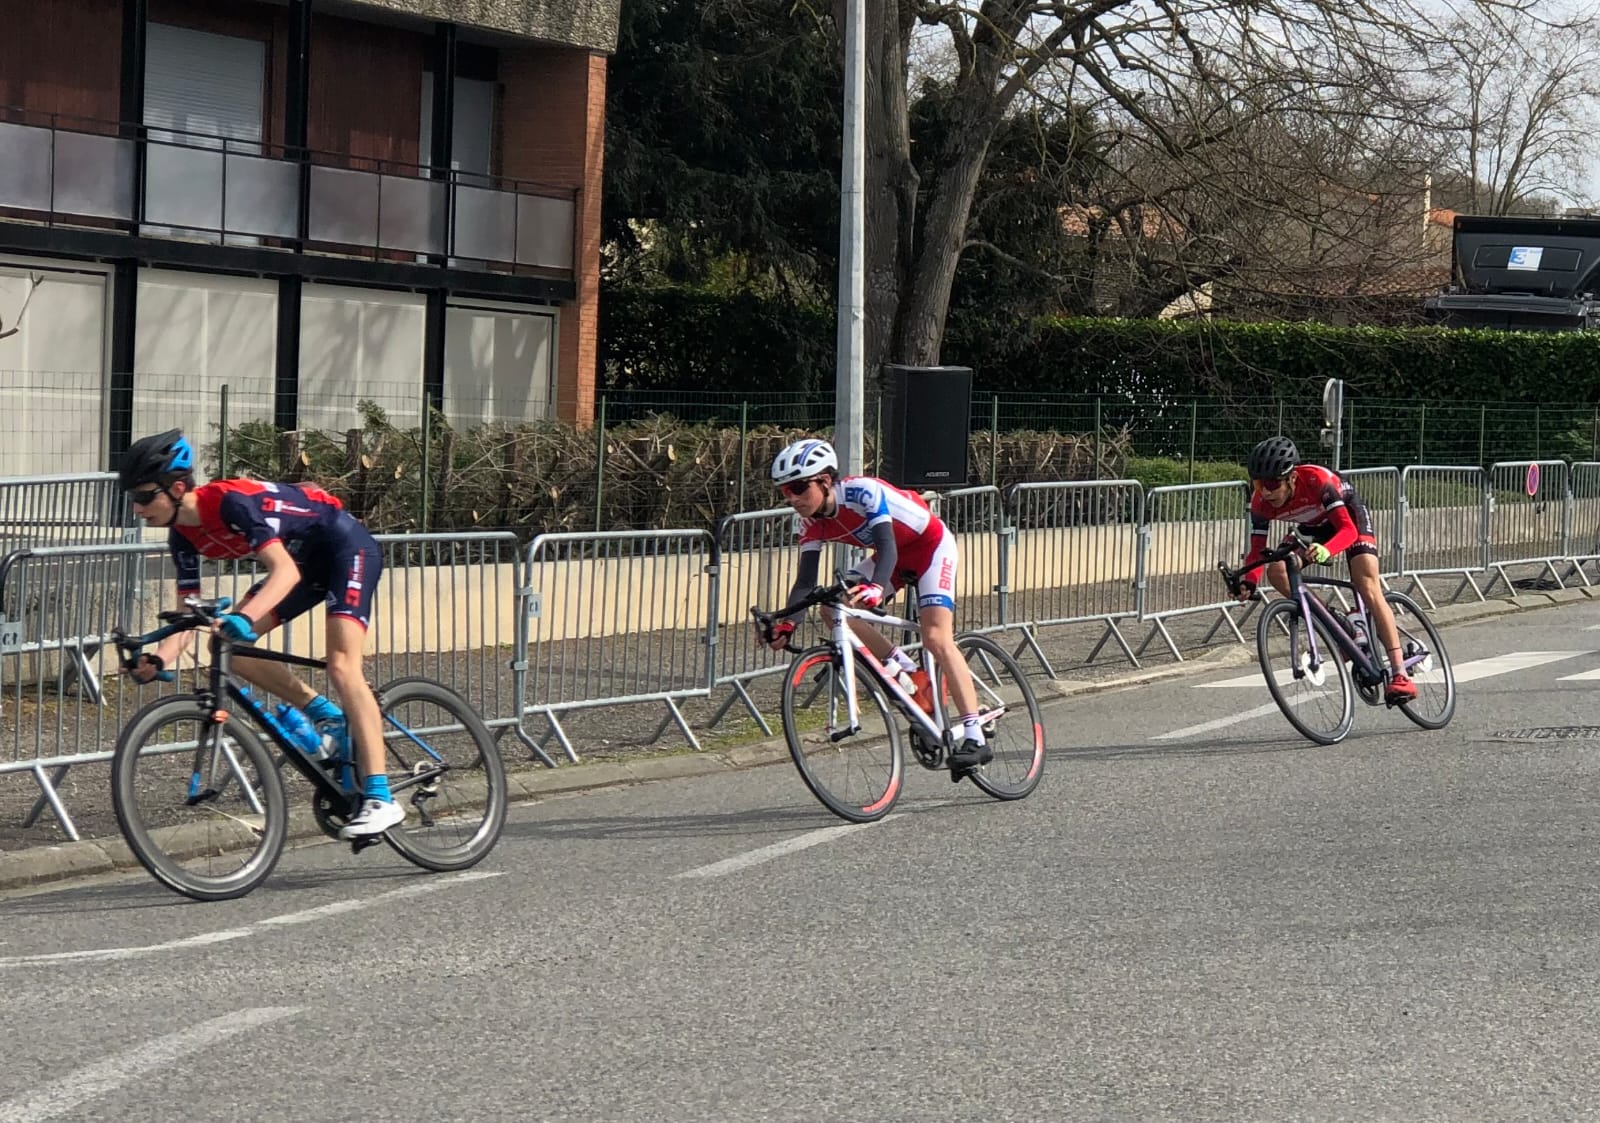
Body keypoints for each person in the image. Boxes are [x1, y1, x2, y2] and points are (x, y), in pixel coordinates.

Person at [118, 429, 404, 838]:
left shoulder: (229, 502)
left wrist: (245, 618)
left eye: (145, 496)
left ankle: (381, 797)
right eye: (133, 498)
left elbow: (283, 571)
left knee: (342, 665)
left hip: (345, 547)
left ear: (177, 487)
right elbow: (189, 610)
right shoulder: (181, 535)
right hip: (304, 559)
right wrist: (160, 657)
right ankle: (326, 714)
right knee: (226, 644)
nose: (138, 508)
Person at [763, 437, 993, 772]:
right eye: (786, 491)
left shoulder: (862, 492)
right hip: (892, 560)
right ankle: (907, 670)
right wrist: (787, 622)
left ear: (825, 481)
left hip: (930, 548)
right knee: (833, 608)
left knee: (936, 637)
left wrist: (875, 586)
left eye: (798, 487)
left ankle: (975, 735)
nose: (793, 498)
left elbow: (888, 547)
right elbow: (805, 583)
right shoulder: (810, 521)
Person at [1236, 435, 1417, 705]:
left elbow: (1347, 530)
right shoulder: (1261, 504)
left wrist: (1326, 550)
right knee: (1277, 571)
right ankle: (1339, 624)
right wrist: (1248, 580)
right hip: (1311, 528)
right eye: (1259, 484)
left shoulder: (1317, 481)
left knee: (1366, 583)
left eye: (1272, 484)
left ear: (1292, 478)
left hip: (1347, 519)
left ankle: (1400, 673)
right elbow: (1256, 550)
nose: (1266, 492)